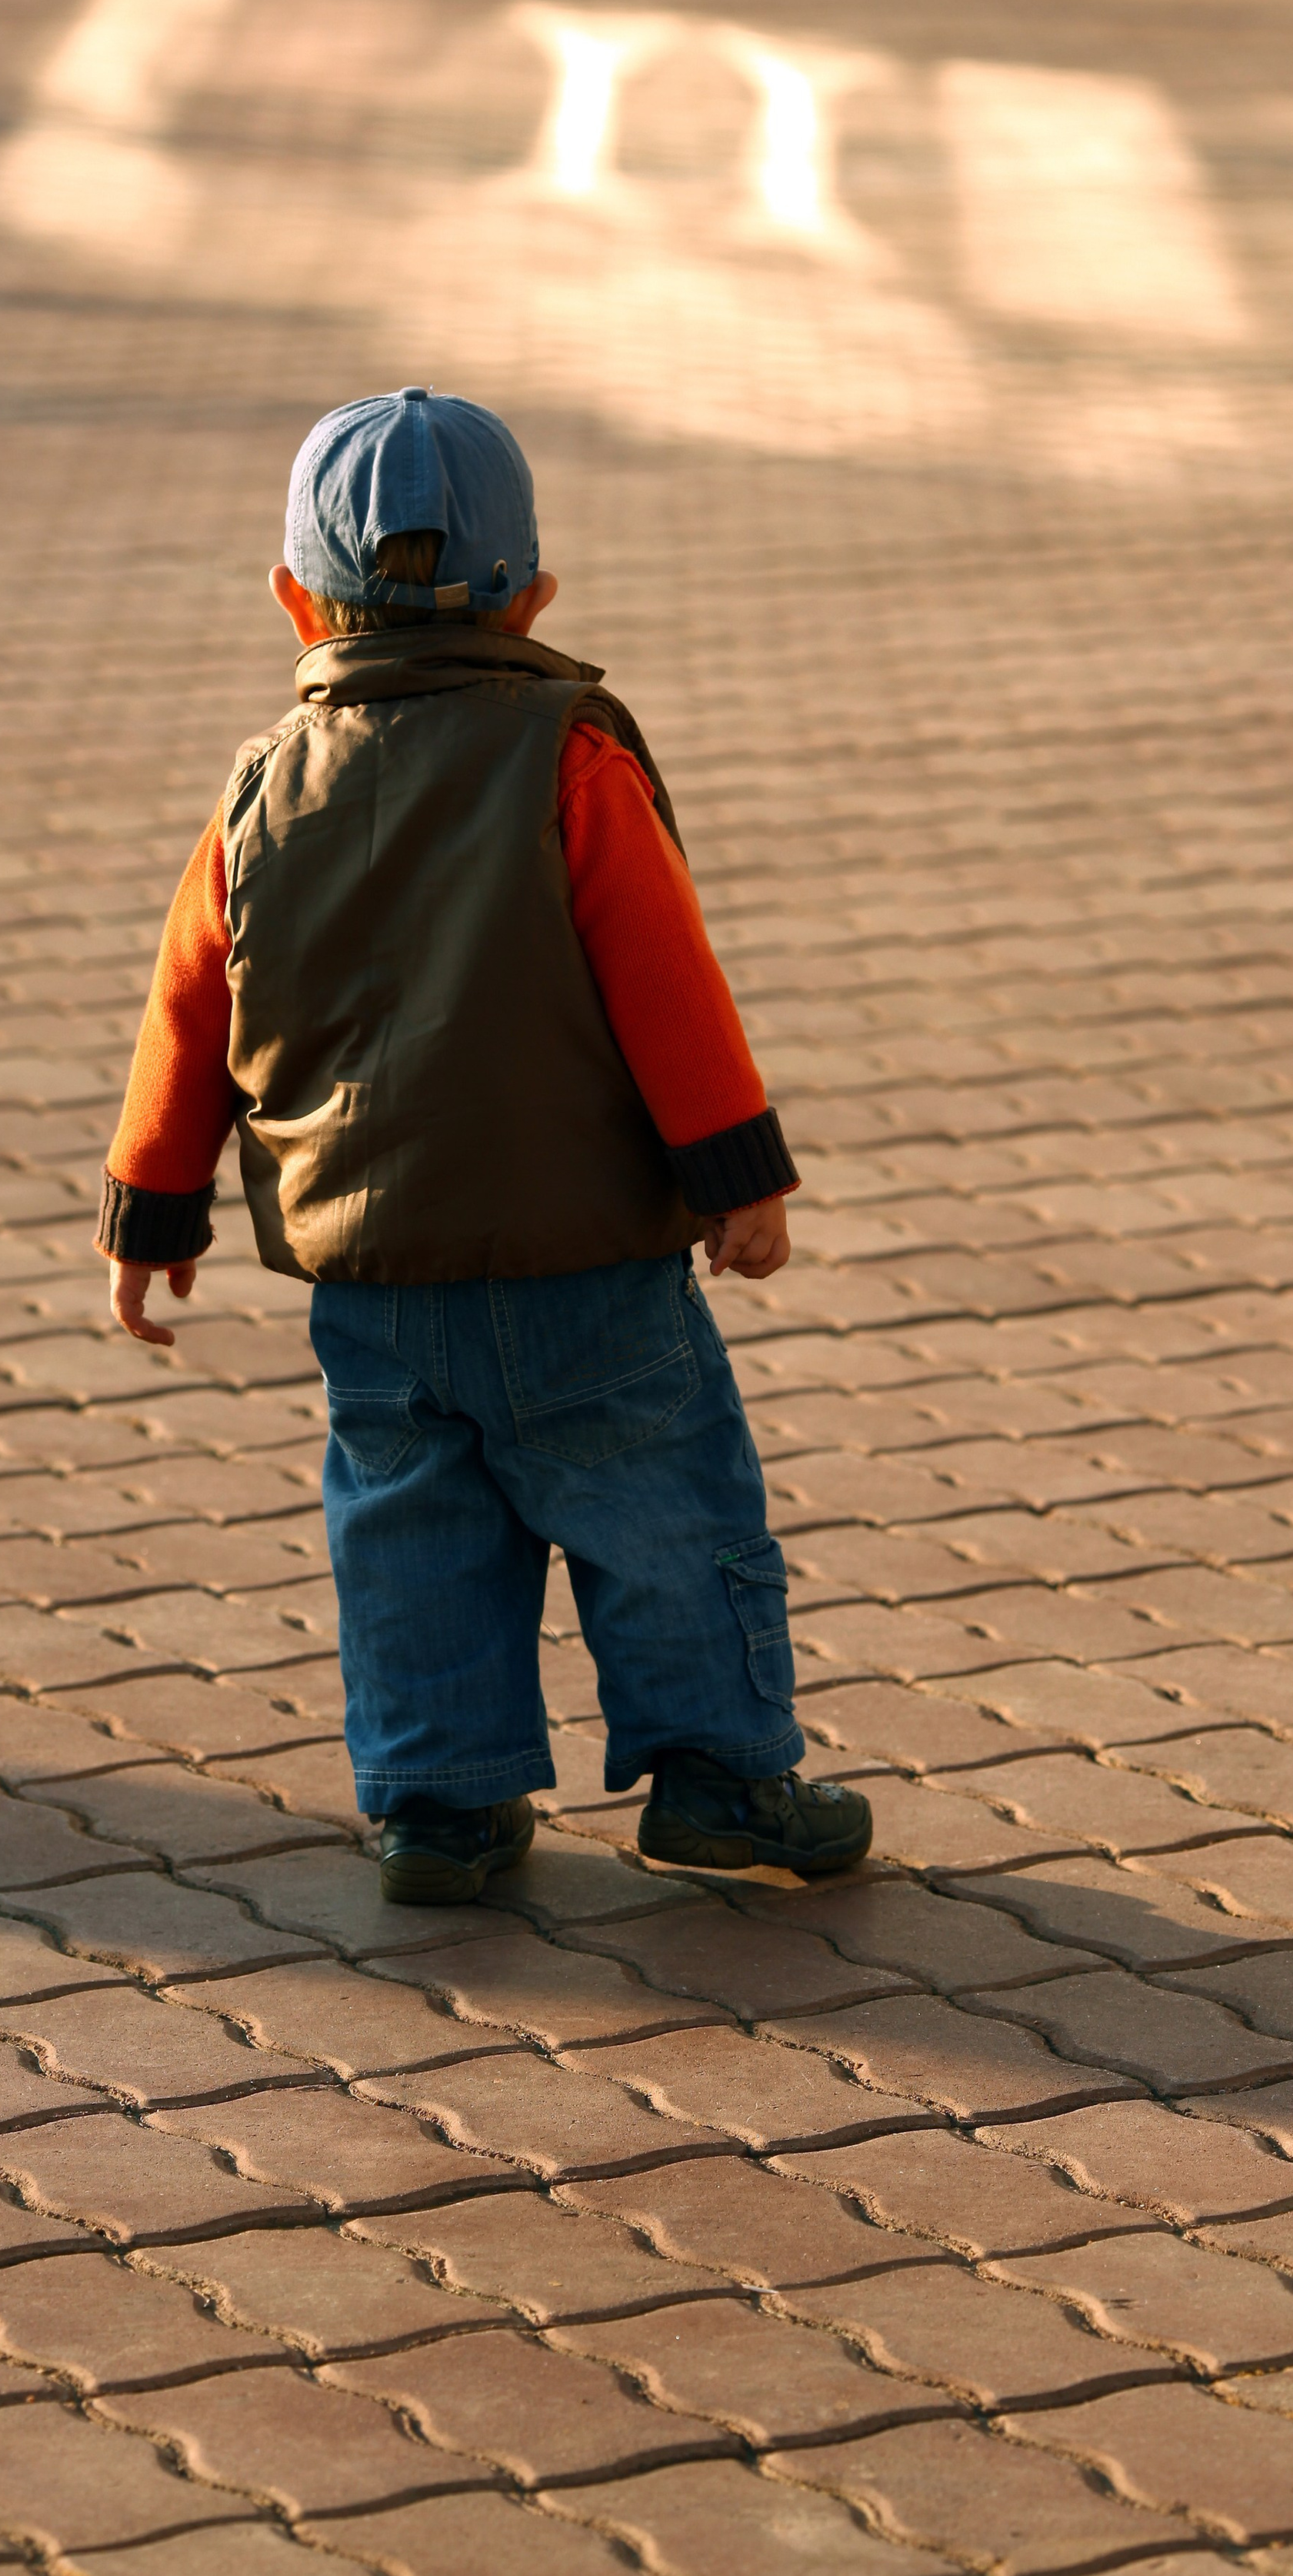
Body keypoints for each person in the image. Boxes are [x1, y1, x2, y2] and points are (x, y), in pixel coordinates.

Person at [98, 388, 872, 1903]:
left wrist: (152, 1213)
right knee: (667, 1511)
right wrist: (737, 1174)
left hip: (373, 1281)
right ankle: (717, 1775)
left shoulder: (261, 785)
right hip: (587, 1263)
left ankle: (440, 1804)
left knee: (408, 1533)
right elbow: (663, 977)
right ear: (532, 596)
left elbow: (188, 1001)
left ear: (290, 598)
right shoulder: (566, 756)